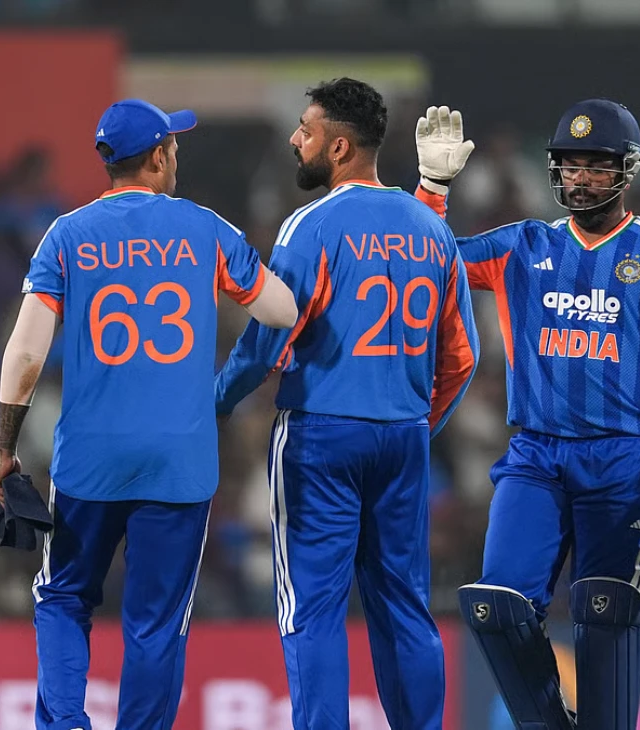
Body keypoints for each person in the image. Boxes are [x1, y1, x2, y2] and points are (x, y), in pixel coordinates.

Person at [413, 100, 640, 729]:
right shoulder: (524, 244)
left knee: (605, 613)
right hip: (536, 454)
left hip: (624, 459)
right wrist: (432, 190)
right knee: (496, 605)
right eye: (570, 164)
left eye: (597, 165)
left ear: (627, 170)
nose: (581, 177)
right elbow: (425, 260)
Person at [0, 98, 297, 730]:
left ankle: (65, 724)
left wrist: (6, 448)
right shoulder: (205, 229)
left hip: (90, 459)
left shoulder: (66, 234)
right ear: (158, 156)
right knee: (157, 623)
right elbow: (281, 312)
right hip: (179, 462)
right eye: (173, 146)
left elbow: (24, 354)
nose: (176, 155)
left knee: (62, 597)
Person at [215, 77, 480, 729]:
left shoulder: (310, 225)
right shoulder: (432, 228)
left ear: (338, 148)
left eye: (305, 130)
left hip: (321, 437)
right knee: (405, 608)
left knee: (312, 610)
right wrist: (418, 423)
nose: (294, 139)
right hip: (403, 439)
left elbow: (269, 338)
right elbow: (462, 357)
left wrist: (212, 403)